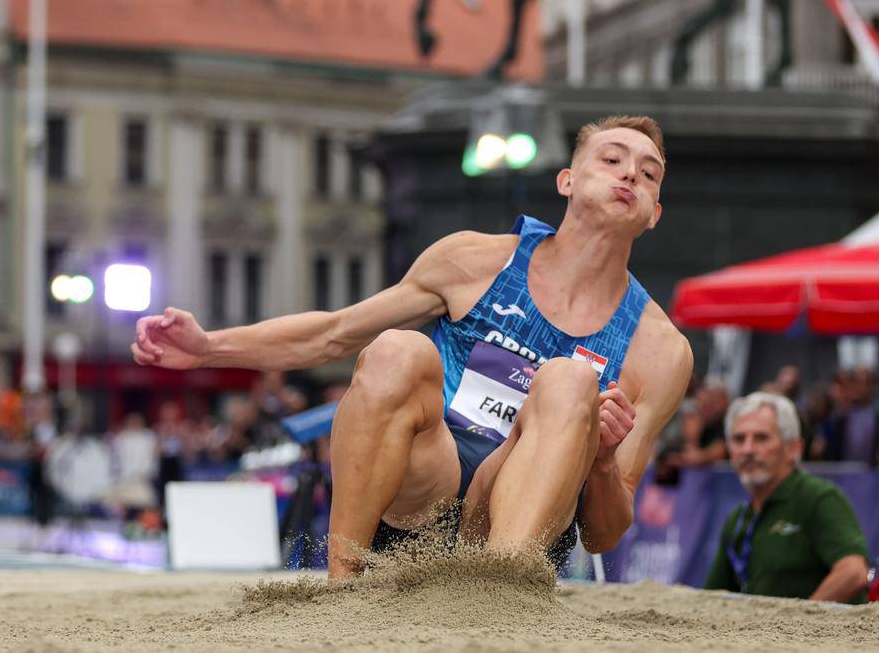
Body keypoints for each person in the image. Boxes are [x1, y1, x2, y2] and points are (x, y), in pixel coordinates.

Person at [133, 114, 693, 580]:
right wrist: (207, 348)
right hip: (426, 480)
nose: (630, 177)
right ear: (567, 180)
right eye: (612, 159)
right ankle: (343, 588)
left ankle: (498, 603)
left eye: (649, 174)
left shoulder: (660, 350)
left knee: (571, 380)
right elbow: (333, 332)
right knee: (398, 349)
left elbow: (606, 533)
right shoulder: (474, 260)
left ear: (655, 215)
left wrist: (598, 462)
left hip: (518, 512)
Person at [704, 393, 870, 603]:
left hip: (823, 634)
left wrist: (798, 624)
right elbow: (711, 598)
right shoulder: (737, 519)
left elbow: (854, 572)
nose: (747, 449)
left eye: (761, 438)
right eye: (739, 439)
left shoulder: (819, 498)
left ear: (793, 448)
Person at [820, 367, 879, 466]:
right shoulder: (841, 414)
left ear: (871, 386)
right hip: (843, 472)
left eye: (862, 383)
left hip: (871, 472)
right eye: (854, 382)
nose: (857, 387)